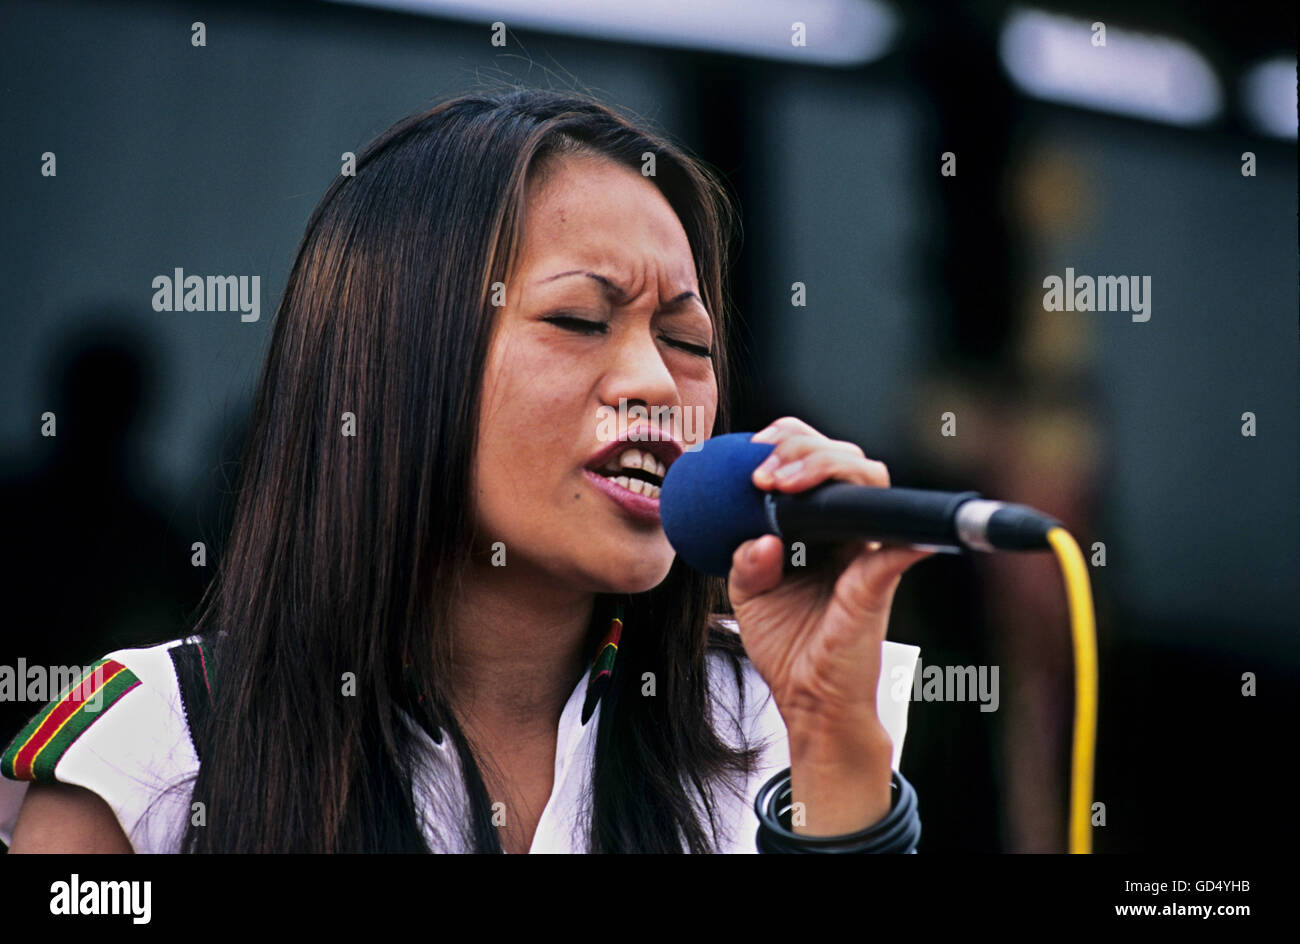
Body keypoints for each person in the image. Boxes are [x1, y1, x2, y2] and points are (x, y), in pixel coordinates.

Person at [0, 88, 931, 853]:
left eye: (688, 338)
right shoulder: (155, 753)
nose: (658, 382)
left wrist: (829, 732)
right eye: (579, 321)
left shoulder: (763, 722)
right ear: (395, 361)